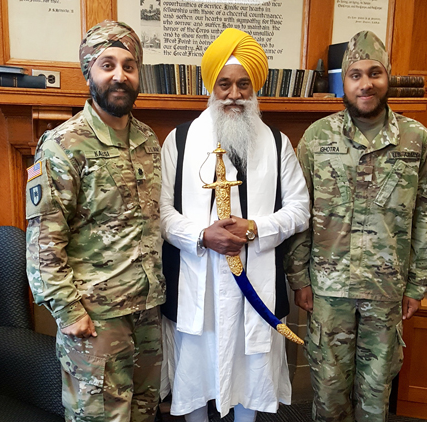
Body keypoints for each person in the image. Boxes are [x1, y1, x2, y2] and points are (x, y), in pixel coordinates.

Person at [286, 30, 427, 422]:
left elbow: (426, 213)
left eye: (375, 73)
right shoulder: (317, 138)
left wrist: (418, 283)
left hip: (386, 291)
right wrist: (298, 278)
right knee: (329, 392)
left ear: (387, 78)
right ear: (345, 81)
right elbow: (299, 212)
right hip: (328, 290)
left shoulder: (415, 139)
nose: (366, 83)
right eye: (355, 74)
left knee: (376, 393)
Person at [159, 28, 310, 422]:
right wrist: (200, 235)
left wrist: (256, 227)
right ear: (211, 86)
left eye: (244, 84)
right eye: (224, 84)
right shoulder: (179, 139)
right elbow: (159, 212)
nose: (234, 94)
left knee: (251, 381)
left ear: (254, 87)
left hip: (254, 286)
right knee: (194, 383)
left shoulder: (278, 144)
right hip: (198, 283)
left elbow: (300, 209)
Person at [25, 20, 164, 422]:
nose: (120, 75)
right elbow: (43, 243)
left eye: (129, 65)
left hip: (146, 313)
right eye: (107, 65)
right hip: (95, 320)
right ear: (90, 72)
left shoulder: (147, 140)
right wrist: (70, 314)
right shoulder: (63, 144)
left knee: (143, 413)